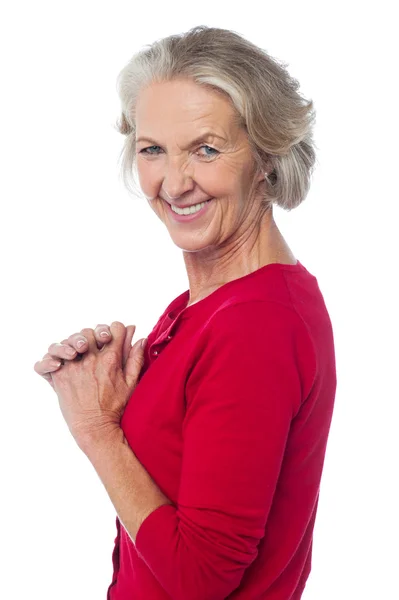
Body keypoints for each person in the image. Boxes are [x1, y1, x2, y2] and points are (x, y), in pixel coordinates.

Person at [34, 25, 337, 600]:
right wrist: (119, 405)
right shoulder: (207, 306)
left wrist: (98, 432)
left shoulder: (257, 326)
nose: (173, 184)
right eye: (153, 149)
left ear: (267, 157)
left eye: (206, 149)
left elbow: (200, 580)